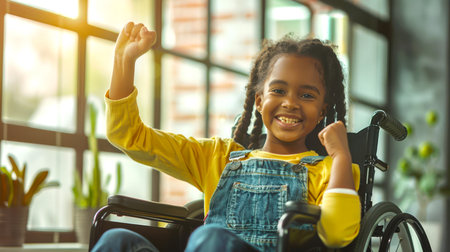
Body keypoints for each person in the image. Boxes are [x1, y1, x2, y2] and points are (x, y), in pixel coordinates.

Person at [92, 21, 360, 252]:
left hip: (212, 242)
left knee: (210, 237)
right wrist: (124, 61)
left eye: (306, 95)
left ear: (323, 110)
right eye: (278, 90)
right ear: (258, 100)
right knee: (117, 240)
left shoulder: (331, 169)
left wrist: (341, 155)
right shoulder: (218, 157)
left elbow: (337, 234)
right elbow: (129, 137)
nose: (290, 103)